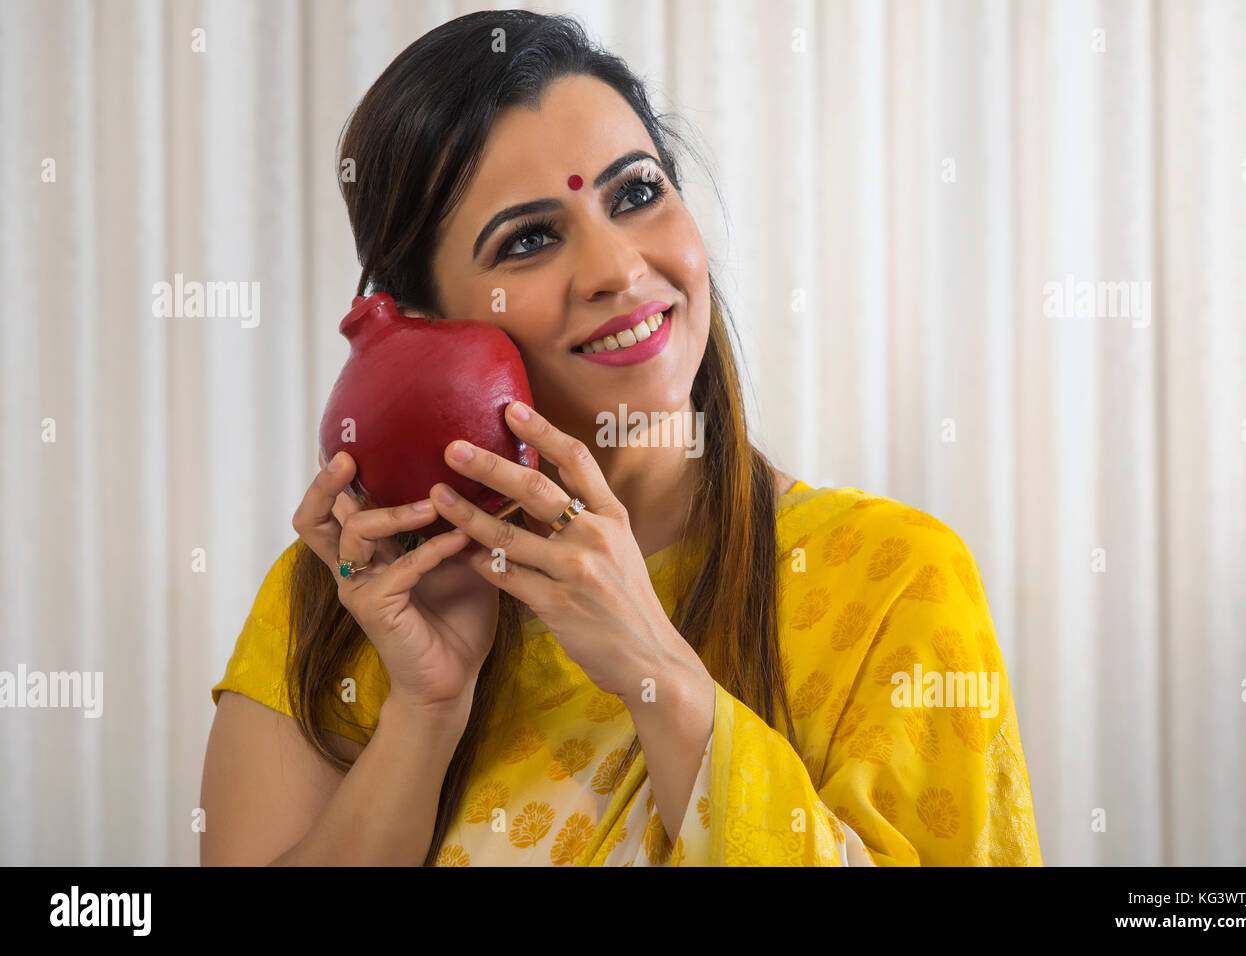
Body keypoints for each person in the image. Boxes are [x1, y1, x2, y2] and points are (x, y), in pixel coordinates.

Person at [200, 9, 1042, 866]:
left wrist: (663, 680)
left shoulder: (892, 583)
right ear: (428, 327)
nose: (617, 270)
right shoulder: (353, 595)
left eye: (637, 193)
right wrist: (426, 711)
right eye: (529, 240)